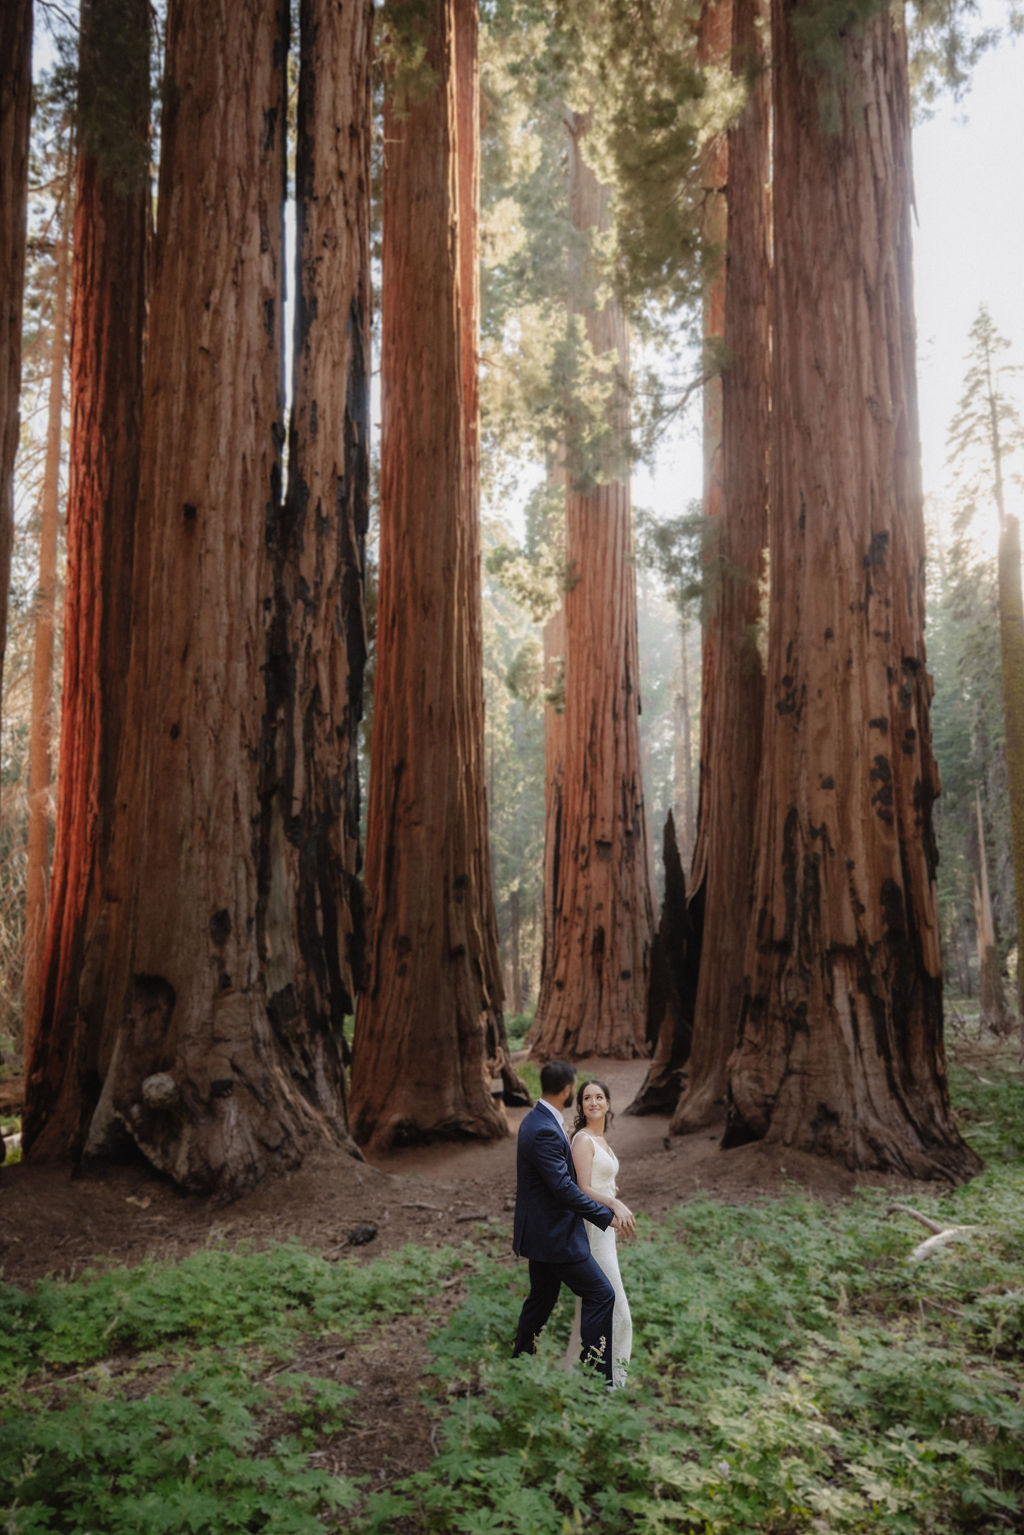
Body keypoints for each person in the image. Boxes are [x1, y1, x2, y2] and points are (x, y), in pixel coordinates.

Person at [512, 1060, 636, 1386]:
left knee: (540, 1302)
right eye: (582, 1092)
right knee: (601, 1295)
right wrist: (605, 1215)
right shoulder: (542, 1128)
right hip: (555, 1236)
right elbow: (564, 1188)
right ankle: (592, 1382)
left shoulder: (541, 1121)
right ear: (569, 1089)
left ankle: (519, 1367)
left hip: (544, 1235)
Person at [565, 1078, 633, 1388]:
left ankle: (576, 1379)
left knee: (589, 1308)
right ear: (580, 1106)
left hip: (606, 1229)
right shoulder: (582, 1140)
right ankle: (612, 1383)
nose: (594, 1102)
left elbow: (599, 1180)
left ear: (608, 1103)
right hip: (593, 1228)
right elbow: (581, 1188)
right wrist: (613, 1202)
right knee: (616, 1307)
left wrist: (612, 1191)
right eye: (587, 1098)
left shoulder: (601, 1139)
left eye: (599, 1097)